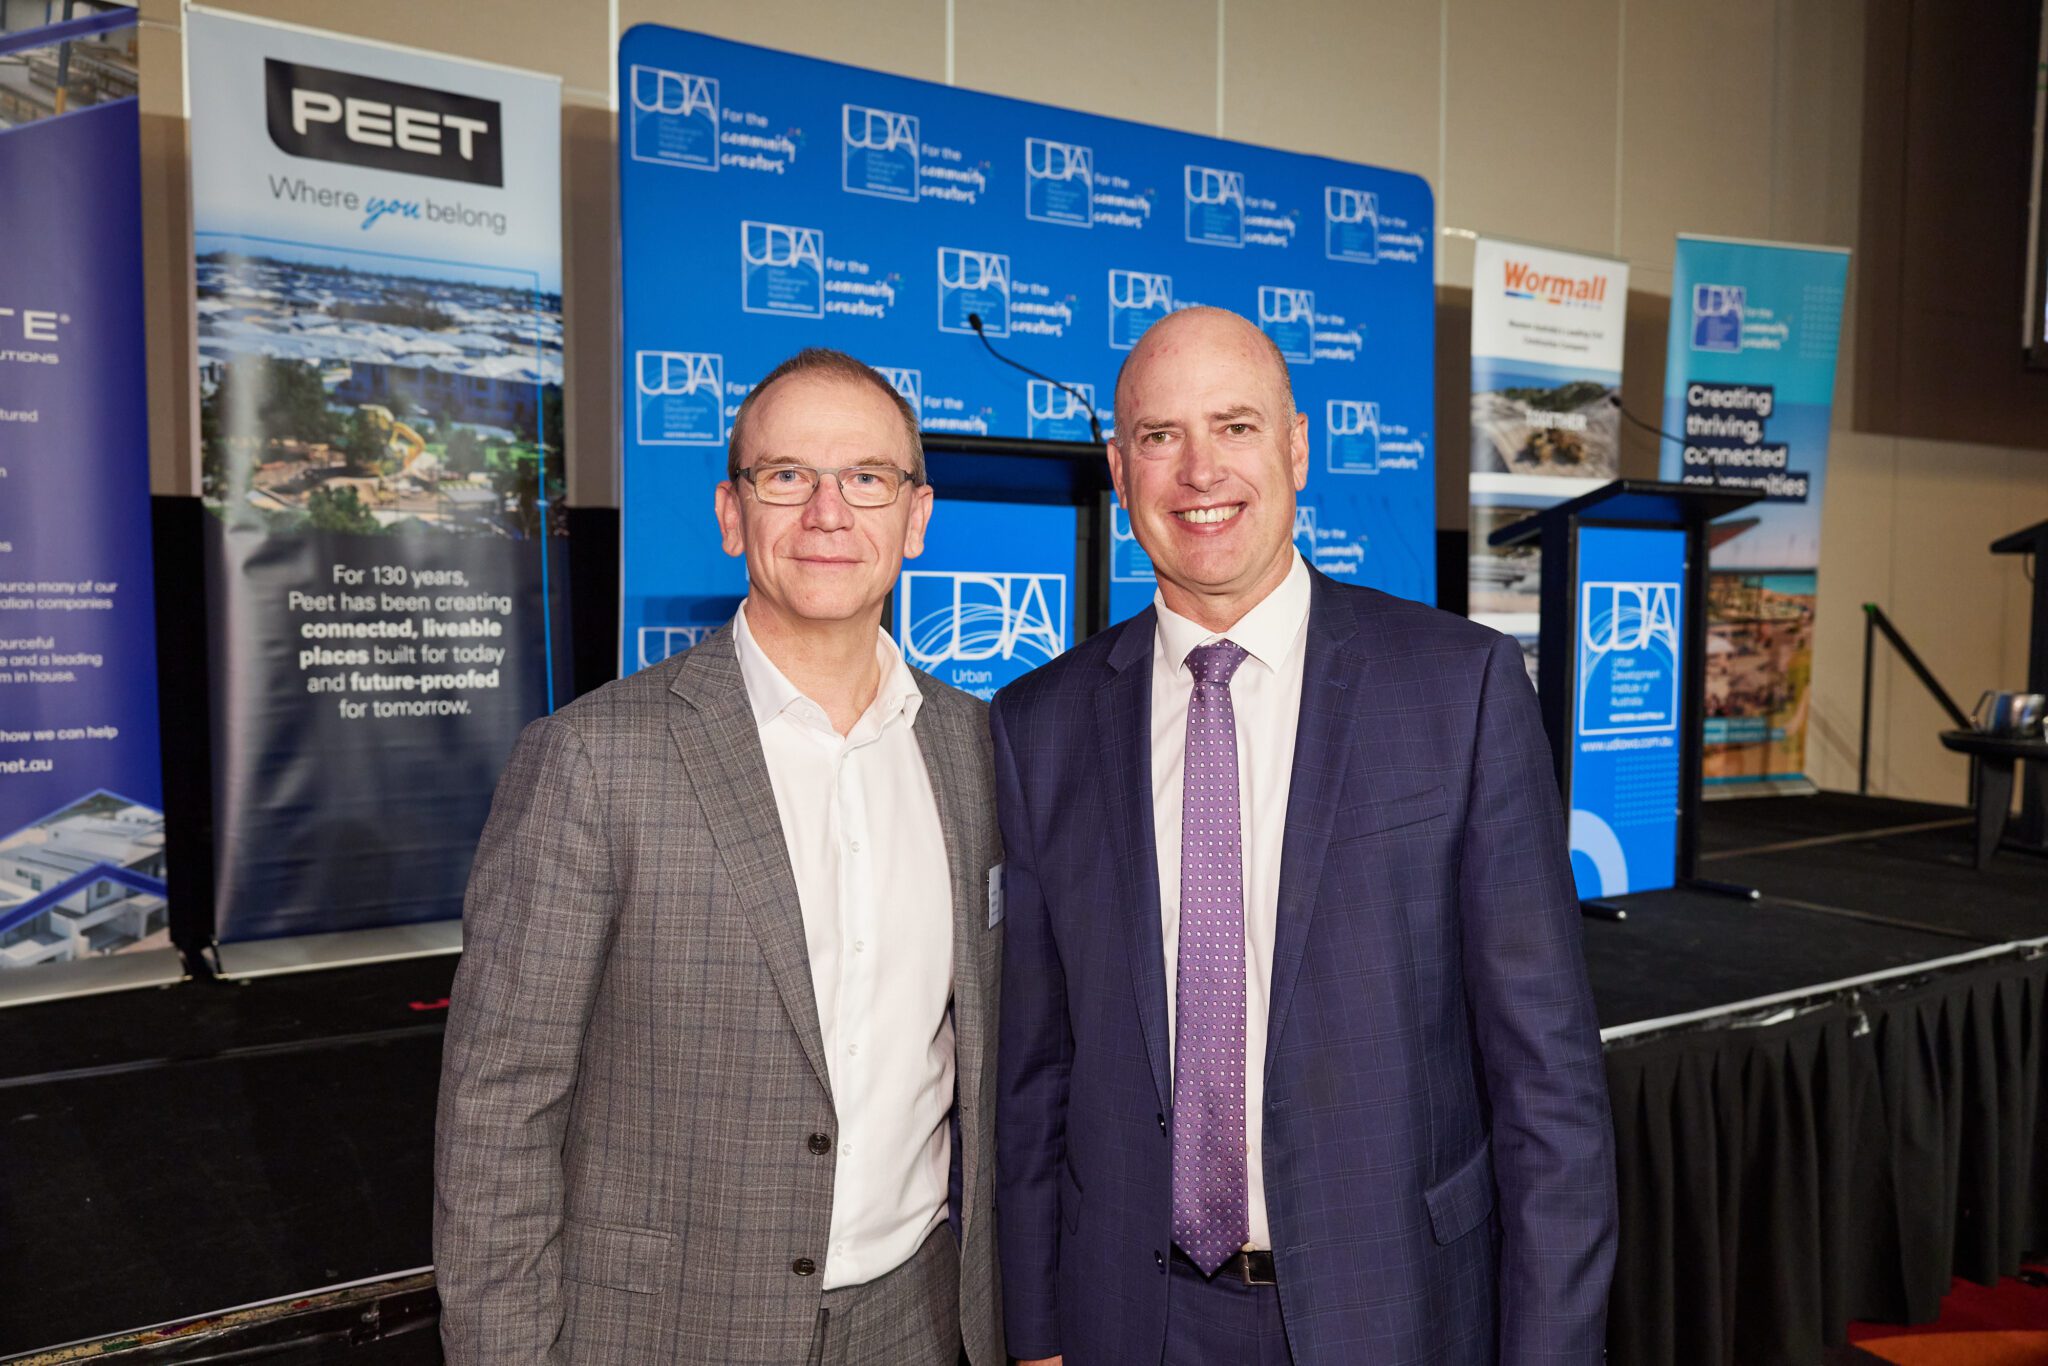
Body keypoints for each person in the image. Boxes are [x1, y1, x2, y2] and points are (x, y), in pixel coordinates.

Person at [992, 307, 1616, 1365]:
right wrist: (1037, 1331)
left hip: (1396, 1310)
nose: (1199, 470)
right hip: (1129, 1321)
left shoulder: (1457, 689)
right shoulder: (1038, 725)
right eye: (1159, 436)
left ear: (1295, 448)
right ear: (1119, 470)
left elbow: (1546, 1078)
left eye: (1234, 427)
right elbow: (1032, 1073)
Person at [435, 348, 1004, 1366]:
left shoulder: (980, 751)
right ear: (731, 513)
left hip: (918, 1325)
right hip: (665, 1330)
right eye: (786, 476)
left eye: (867, 478)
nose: (827, 513)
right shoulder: (592, 759)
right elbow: (499, 1108)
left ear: (916, 517)